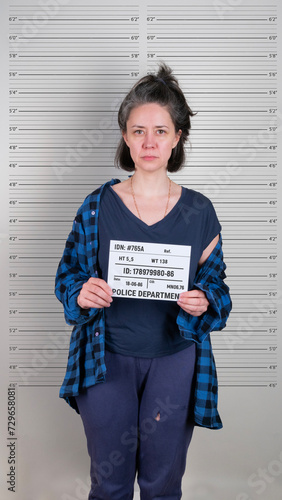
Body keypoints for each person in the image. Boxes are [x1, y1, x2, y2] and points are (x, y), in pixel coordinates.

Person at [55, 63, 232, 500]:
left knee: (162, 484)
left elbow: (219, 291)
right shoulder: (97, 205)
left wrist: (205, 301)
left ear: (177, 138)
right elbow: (67, 276)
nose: (149, 141)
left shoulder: (199, 210)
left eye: (160, 130)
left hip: (175, 359)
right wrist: (81, 291)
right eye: (138, 131)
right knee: (109, 484)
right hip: (105, 357)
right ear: (125, 138)